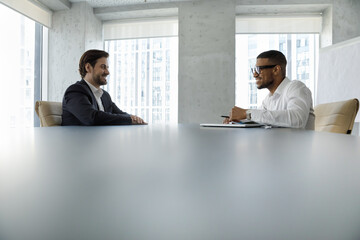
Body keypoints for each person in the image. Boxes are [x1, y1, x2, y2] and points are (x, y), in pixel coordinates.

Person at [224, 50, 314, 129]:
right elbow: (260, 119)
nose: (255, 74)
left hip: (297, 148)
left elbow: (297, 119)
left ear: (276, 69)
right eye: (254, 70)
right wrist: (237, 121)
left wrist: (247, 114)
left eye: (259, 69)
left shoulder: (296, 87)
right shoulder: (268, 99)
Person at [62, 49, 146, 126]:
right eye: (103, 67)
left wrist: (134, 118)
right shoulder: (75, 91)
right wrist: (129, 119)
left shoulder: (105, 95)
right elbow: (92, 118)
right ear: (88, 67)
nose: (107, 72)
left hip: (101, 140)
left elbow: (119, 114)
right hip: (80, 141)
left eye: (107, 67)